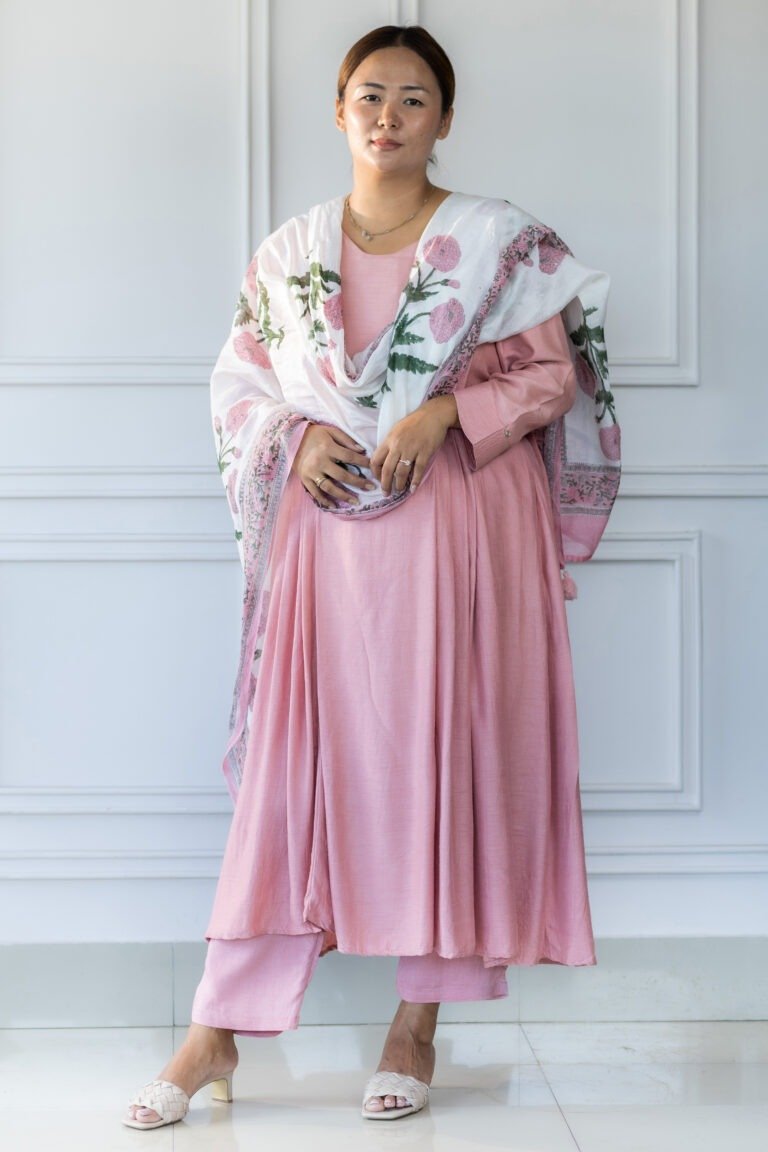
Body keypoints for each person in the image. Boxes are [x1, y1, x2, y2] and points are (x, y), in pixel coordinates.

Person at [124, 23, 620, 1130]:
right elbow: (241, 386)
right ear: (338, 112)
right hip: (328, 546)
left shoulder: (497, 243)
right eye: (368, 96)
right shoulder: (291, 251)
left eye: (411, 98)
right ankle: (218, 1030)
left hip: (459, 533)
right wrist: (296, 441)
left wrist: (445, 408)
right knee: (293, 782)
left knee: (445, 765)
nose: (387, 116)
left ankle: (419, 1025)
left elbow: (554, 375)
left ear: (444, 119)